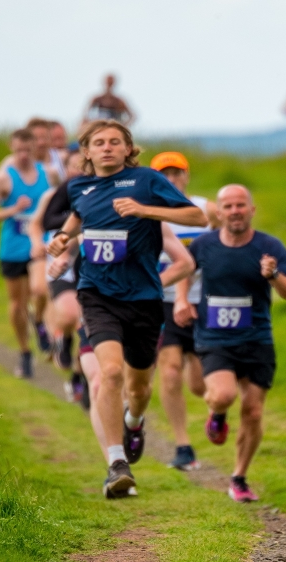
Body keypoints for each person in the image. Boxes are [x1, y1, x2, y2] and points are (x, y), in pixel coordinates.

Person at [46, 120, 208, 499]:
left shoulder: (146, 181)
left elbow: (198, 218)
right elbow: (75, 221)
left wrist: (145, 210)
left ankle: (134, 422)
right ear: (86, 151)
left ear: (127, 148)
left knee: (139, 388)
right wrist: (61, 241)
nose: (106, 148)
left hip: (144, 299)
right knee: (110, 373)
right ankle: (117, 463)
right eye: (98, 143)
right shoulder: (78, 186)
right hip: (97, 295)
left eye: (115, 142)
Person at [174, 185, 286, 502]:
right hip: (214, 338)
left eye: (240, 205)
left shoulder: (269, 247)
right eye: (228, 206)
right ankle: (216, 414)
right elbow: (183, 272)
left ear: (252, 209)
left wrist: (273, 277)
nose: (234, 211)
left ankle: (239, 477)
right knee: (223, 395)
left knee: (254, 412)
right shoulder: (203, 245)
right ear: (218, 212)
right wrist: (180, 301)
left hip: (257, 339)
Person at [150, 151, 219, 471]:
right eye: (165, 175)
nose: (172, 179)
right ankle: (183, 445)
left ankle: (216, 408)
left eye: (177, 173)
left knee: (199, 383)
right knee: (170, 369)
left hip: (205, 300)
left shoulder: (207, 210)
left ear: (187, 176)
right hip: (163, 300)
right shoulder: (149, 214)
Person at [0, 129, 52, 378]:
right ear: (11, 148)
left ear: (36, 148)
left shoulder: (48, 174)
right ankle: (24, 352)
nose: (23, 155)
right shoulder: (2, 179)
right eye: (18, 150)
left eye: (27, 150)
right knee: (17, 305)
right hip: (12, 248)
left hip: (39, 244)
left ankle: (40, 320)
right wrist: (12, 209)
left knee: (41, 290)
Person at [30, 146, 90, 400]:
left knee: (88, 325)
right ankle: (62, 338)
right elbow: (37, 224)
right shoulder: (54, 196)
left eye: (83, 166)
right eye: (73, 166)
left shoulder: (99, 195)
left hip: (91, 266)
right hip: (61, 265)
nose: (78, 171)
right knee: (68, 315)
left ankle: (80, 375)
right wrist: (37, 244)